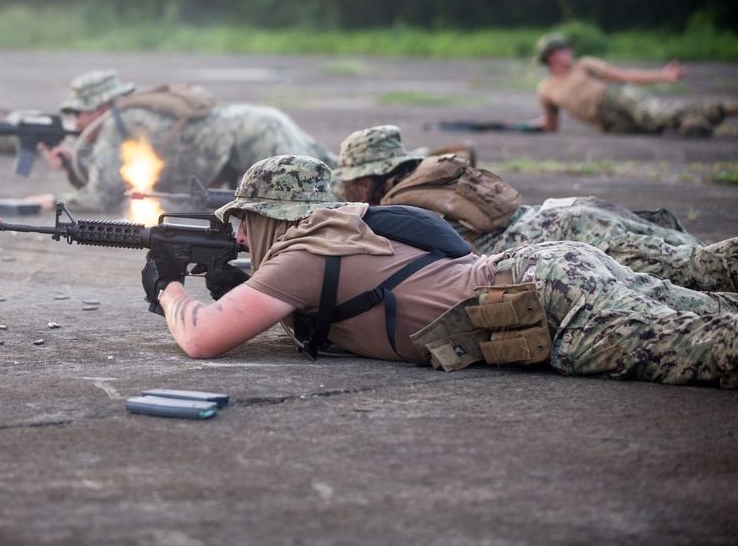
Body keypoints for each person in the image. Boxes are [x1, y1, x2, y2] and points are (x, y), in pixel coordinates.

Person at [140, 154, 738, 388]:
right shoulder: (342, 226)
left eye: (245, 219)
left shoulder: (301, 256)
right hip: (547, 269)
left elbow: (201, 337)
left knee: (713, 349)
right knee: (715, 310)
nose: (239, 233)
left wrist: (169, 286)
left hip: (539, 302)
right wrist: (240, 284)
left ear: (274, 215)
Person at [333, 125, 737, 292]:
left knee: (699, 268)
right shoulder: (427, 171)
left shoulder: (398, 206)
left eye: (350, 182)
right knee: (696, 256)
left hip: (577, 240)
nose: (347, 190)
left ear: (367, 180)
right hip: (575, 213)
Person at [19, 70, 338, 213]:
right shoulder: (133, 113)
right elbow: (118, 179)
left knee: (327, 198)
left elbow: (101, 198)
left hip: (250, 135)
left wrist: (52, 200)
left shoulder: (117, 123)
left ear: (101, 107)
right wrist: (73, 164)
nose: (76, 121)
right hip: (256, 123)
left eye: (79, 112)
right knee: (338, 173)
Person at [534, 32, 737, 135]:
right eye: (563, 48)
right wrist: (530, 126)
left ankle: (724, 109)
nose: (569, 51)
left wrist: (661, 75)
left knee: (655, 115)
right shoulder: (546, 89)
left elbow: (623, 74)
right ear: (550, 56)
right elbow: (551, 124)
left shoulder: (584, 64)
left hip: (615, 96)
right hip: (608, 123)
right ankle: (691, 122)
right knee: (654, 125)